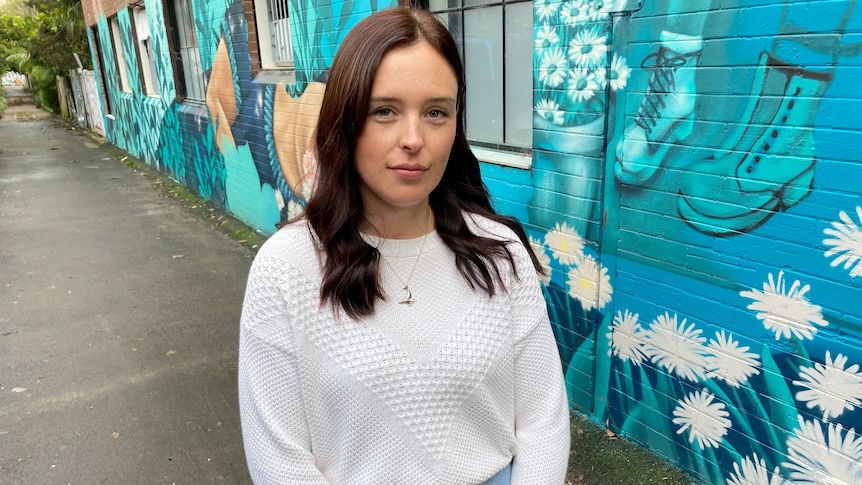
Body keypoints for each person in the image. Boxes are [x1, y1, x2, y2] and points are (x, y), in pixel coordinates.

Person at [237, 7, 570, 484]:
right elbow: (279, 460)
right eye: (385, 111)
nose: (414, 139)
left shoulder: (499, 254)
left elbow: (544, 419)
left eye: (436, 112)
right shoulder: (286, 270)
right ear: (346, 121)